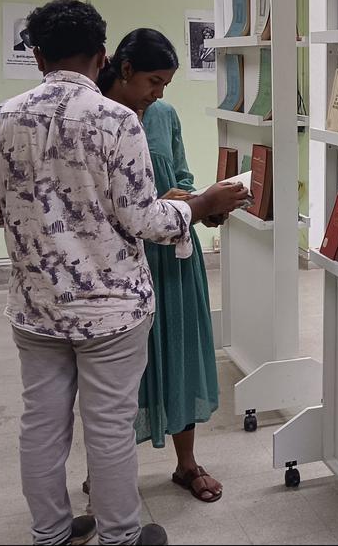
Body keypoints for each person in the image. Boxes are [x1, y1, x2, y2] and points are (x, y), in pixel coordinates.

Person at [0, 0, 248, 545]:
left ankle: (49, 534)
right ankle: (120, 536)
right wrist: (199, 204)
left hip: (36, 308)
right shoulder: (116, 121)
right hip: (111, 312)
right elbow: (145, 218)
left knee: (42, 427)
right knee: (109, 429)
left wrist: (40, 218)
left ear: (39, 54)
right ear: (102, 56)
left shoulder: (1, 118)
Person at [94, 28, 226, 502]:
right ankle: (107, 470)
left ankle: (186, 463)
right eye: (153, 81)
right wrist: (152, 205)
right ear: (124, 70)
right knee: (119, 371)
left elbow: (183, 173)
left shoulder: (163, 115)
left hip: (173, 254)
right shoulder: (99, 120)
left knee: (181, 351)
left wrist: (191, 199)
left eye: (165, 85)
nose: (158, 93)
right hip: (123, 261)